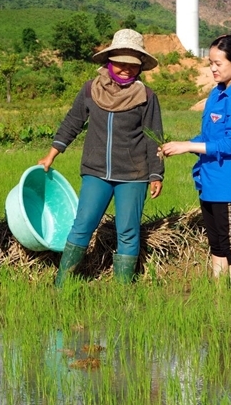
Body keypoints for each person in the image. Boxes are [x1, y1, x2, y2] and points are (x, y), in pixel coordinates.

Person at [39, 29, 164, 285]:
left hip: (133, 175)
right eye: (121, 63)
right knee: (82, 225)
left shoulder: (146, 97)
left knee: (128, 231)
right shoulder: (90, 90)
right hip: (96, 172)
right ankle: (63, 285)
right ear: (110, 62)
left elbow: (154, 137)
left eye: (133, 65)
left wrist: (156, 175)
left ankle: (122, 291)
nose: (126, 70)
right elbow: (72, 122)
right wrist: (51, 155)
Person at [160, 35, 231, 295]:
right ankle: (217, 297)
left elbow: (230, 145)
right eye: (210, 63)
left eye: (218, 63)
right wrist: (178, 144)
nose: (213, 68)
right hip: (208, 179)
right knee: (217, 244)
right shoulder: (216, 94)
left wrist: (187, 146)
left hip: (228, 182)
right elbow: (208, 138)